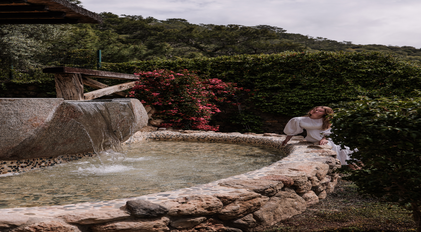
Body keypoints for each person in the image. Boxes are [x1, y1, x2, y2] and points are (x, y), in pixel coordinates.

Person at [281, 106, 355, 167]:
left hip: (328, 139)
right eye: (316, 109)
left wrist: (325, 138)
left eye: (320, 111)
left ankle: (354, 169)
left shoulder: (326, 120)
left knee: (337, 149)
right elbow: (292, 130)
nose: (316, 111)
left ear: (324, 114)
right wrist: (286, 140)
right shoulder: (300, 120)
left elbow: (331, 130)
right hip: (313, 139)